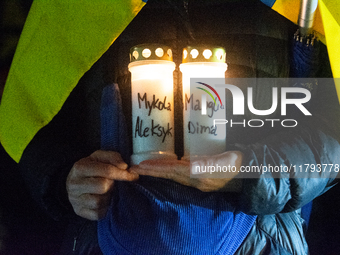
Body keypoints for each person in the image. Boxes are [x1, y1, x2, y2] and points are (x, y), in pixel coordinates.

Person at [17, 1, 340, 254]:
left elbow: (332, 136)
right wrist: (66, 181)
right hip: (110, 238)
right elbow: (31, 115)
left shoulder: (302, 5)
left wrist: (250, 172)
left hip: (258, 240)